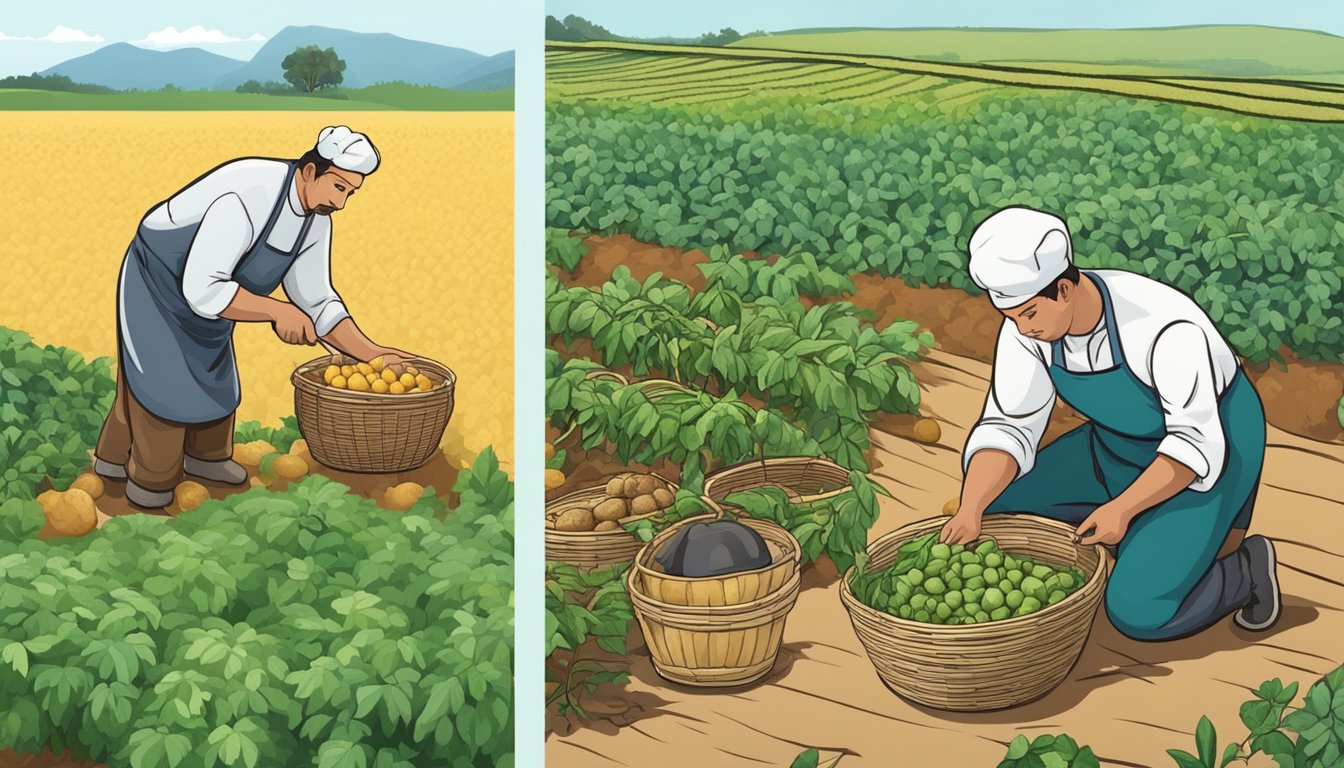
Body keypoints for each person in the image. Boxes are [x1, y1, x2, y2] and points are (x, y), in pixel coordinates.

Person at [941, 205, 1279, 640]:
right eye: (1011, 318)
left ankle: (1244, 572)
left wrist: (1122, 508)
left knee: (1137, 610)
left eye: (1028, 315)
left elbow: (1194, 443)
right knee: (1000, 514)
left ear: (1063, 289)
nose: (1022, 330)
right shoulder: (1029, 331)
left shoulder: (1163, 327)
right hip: (1114, 446)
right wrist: (971, 507)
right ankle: (1145, 539)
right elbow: (1009, 425)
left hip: (1211, 449)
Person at [94, 126, 416, 510]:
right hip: (158, 280)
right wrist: (276, 310)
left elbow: (317, 299)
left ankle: (206, 458)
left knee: (214, 375)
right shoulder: (246, 197)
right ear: (310, 171)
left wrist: (372, 354)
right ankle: (147, 480)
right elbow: (203, 289)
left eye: (350, 192)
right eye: (338, 187)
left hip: (213, 300)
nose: (342, 202)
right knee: (158, 381)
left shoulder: (316, 220)